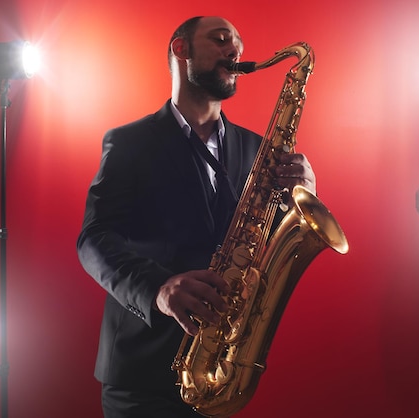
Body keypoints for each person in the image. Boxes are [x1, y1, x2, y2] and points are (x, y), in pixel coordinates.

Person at [77, 16, 317, 418]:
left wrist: (300, 198)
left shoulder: (259, 149)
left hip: (222, 367)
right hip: (143, 375)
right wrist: (157, 290)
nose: (235, 51)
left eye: (238, 44)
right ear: (180, 49)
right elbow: (94, 238)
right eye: (221, 39)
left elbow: (261, 240)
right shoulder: (129, 142)